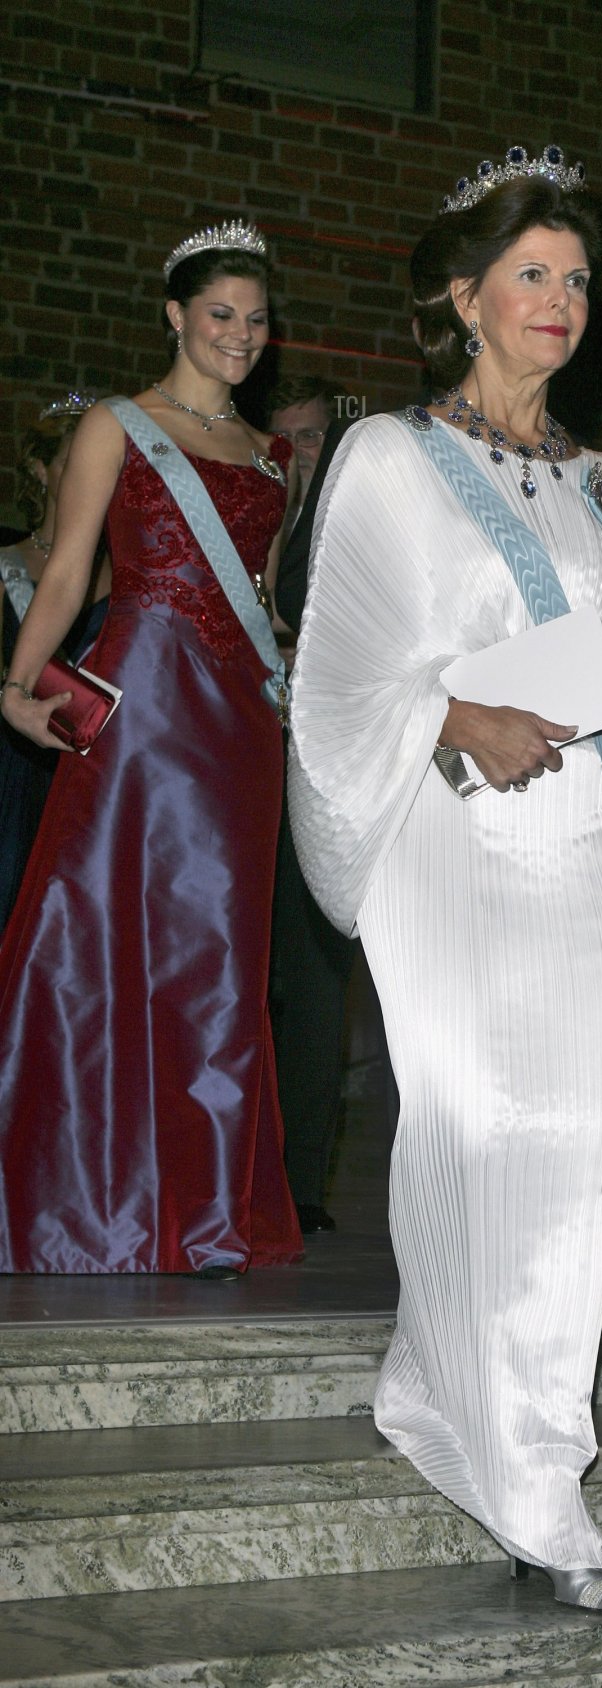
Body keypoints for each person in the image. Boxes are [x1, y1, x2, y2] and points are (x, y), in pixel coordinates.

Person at [287, 144, 602, 1612]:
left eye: (579, 279)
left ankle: (479, 1414)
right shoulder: (385, 458)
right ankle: (538, 1489)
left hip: (574, 854)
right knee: (471, 1125)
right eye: (531, 275)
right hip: (441, 834)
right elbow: (341, 676)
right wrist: (453, 713)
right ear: (462, 296)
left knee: (558, 1160)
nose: (560, 301)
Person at [0, 219, 304, 1278]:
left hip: (242, 722)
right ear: (175, 313)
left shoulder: (275, 460)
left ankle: (208, 1208)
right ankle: (84, 1194)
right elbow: (70, 573)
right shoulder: (115, 428)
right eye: (221, 313)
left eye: (257, 320)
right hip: (143, 711)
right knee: (100, 940)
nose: (240, 334)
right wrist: (13, 683)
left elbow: (265, 598)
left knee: (225, 953)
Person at [268, 387, 358, 1232]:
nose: (297, 449)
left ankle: (302, 1181)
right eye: (286, 437)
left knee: (317, 975)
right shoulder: (252, 506)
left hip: (324, 760)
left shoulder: (346, 511)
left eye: (311, 437)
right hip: (240, 754)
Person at [1, 393, 111, 930]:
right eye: (74, 462)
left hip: (97, 765)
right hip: (18, 765)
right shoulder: (5, 565)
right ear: (41, 471)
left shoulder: (129, 576)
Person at [267, 376, 347, 534]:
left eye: (308, 435)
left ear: (337, 440)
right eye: (281, 437)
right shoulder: (256, 515)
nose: (292, 450)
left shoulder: (352, 519)